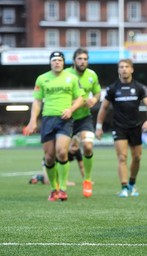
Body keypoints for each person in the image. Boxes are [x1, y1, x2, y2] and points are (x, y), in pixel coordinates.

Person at [25, 51, 84, 201]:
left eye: (59, 60)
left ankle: (63, 189)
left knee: (62, 152)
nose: (57, 62)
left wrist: (70, 109)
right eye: (54, 60)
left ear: (63, 62)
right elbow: (37, 102)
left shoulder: (72, 78)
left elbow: (80, 99)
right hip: (47, 119)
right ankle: (54, 189)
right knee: (49, 157)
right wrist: (33, 120)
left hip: (64, 120)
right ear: (50, 62)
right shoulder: (42, 79)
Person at [95, 59, 147, 198]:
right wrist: (98, 127)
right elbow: (103, 108)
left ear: (132, 69)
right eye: (121, 67)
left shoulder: (139, 87)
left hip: (135, 127)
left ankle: (132, 184)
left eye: (127, 67)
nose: (124, 69)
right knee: (122, 157)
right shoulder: (112, 88)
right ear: (118, 70)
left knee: (137, 157)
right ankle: (124, 187)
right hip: (119, 127)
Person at [65, 48, 101, 198]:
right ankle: (61, 183)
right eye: (80, 58)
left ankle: (87, 180)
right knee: (64, 152)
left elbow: (98, 92)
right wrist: (77, 102)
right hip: (68, 118)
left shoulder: (92, 75)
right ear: (74, 60)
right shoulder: (66, 75)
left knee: (87, 146)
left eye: (85, 59)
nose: (82, 61)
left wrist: (94, 99)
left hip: (84, 118)